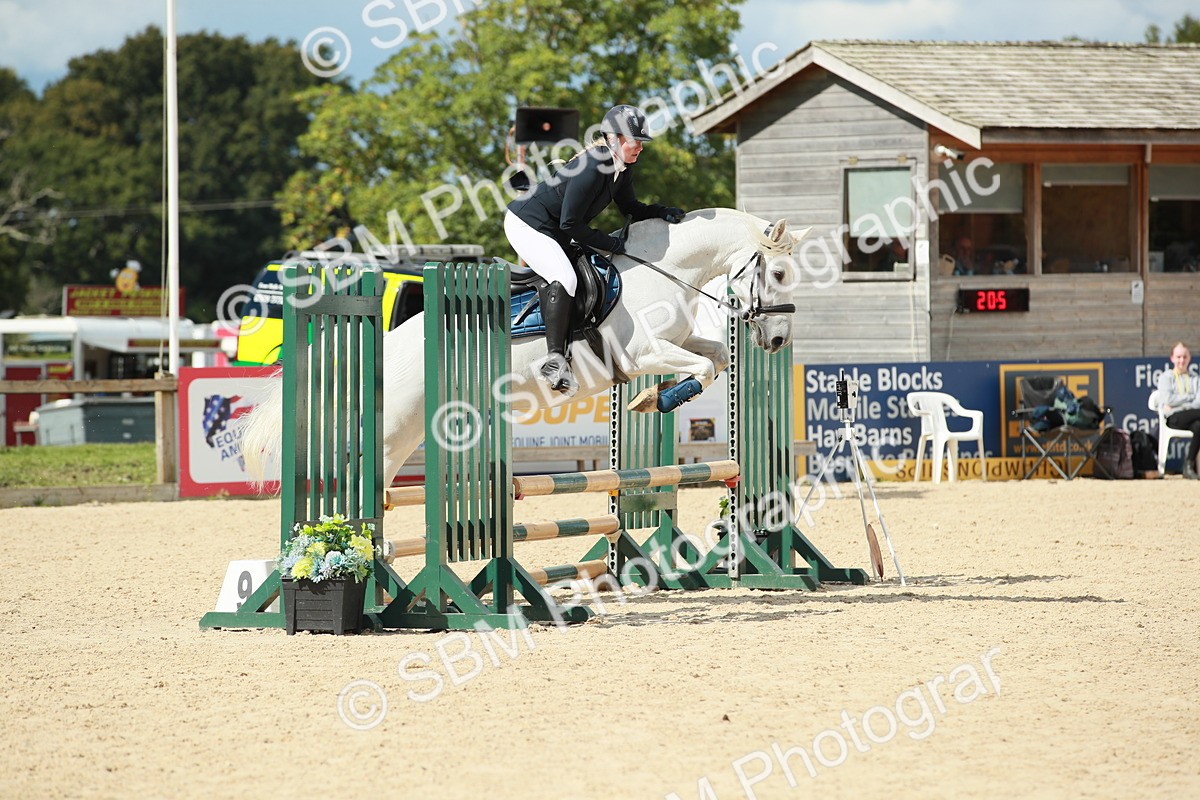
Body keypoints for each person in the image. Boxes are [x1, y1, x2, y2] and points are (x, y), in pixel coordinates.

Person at [504, 104, 685, 393]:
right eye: (634, 140)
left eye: (641, 141)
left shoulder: (621, 169)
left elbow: (630, 208)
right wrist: (612, 243)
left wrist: (662, 212)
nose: (640, 147)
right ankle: (554, 359)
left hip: (553, 228)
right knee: (566, 277)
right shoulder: (592, 165)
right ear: (614, 139)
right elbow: (570, 224)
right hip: (526, 224)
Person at [1156, 342, 1200, 478]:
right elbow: (1168, 399)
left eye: (1184, 357)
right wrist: (1189, 398)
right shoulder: (1165, 377)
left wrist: (1180, 404)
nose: (1182, 360)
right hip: (1174, 418)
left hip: (1192, 416)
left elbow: (1198, 402)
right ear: (1172, 358)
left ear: (1189, 358)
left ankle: (1188, 465)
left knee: (1199, 426)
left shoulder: (1195, 378)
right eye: (1178, 357)